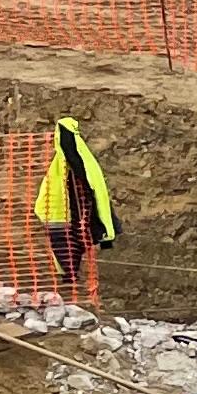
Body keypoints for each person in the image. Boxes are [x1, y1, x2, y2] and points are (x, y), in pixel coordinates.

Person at [30, 116, 115, 292]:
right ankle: (70, 279)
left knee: (79, 241)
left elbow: (98, 190)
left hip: (83, 209)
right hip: (62, 214)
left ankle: (75, 280)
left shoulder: (85, 161)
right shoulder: (59, 167)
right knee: (65, 245)